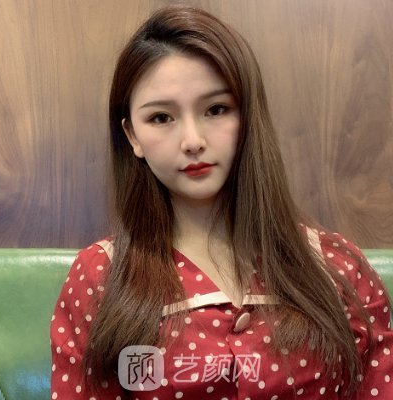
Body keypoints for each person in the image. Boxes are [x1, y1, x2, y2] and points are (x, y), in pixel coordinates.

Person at [50, 4, 393, 399]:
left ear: (248, 117)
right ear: (132, 136)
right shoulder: (101, 279)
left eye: (216, 109)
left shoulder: (337, 268)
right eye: (161, 117)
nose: (193, 140)